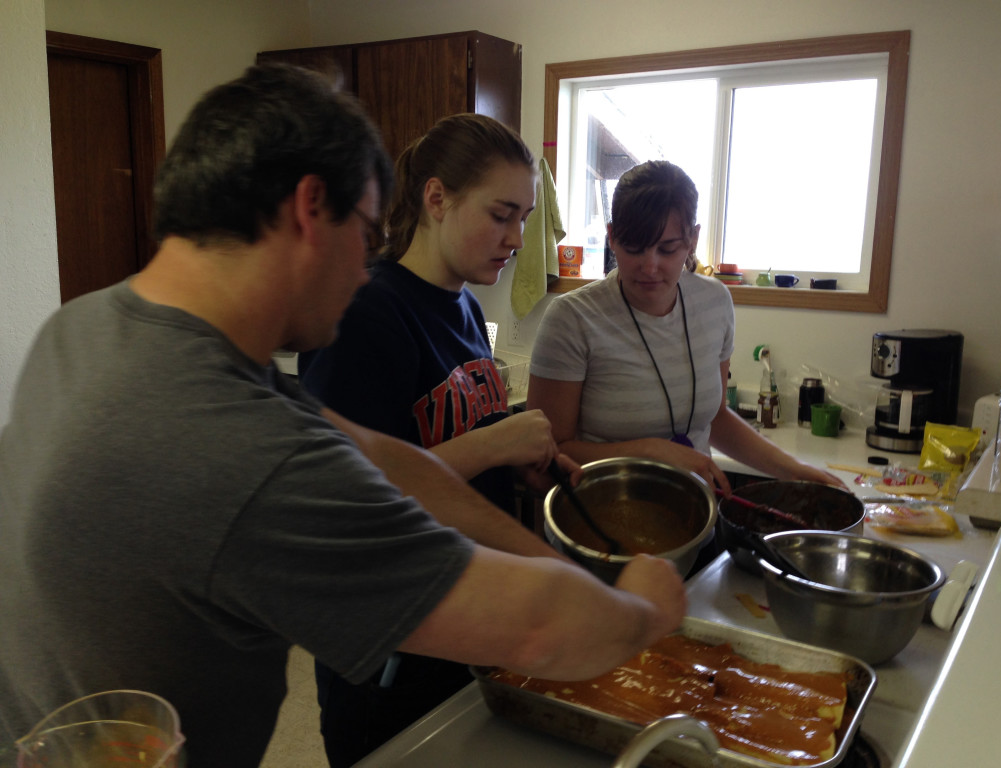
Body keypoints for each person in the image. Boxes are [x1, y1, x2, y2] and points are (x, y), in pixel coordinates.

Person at [0, 66, 688, 768]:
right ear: (308, 209)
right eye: (362, 234)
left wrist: (552, 561)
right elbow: (539, 633)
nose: (365, 270)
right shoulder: (249, 450)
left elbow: (386, 459)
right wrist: (639, 610)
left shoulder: (89, 325)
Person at [298, 113, 571, 765]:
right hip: (391, 651)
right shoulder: (365, 313)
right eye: (502, 213)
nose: (516, 237)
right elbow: (344, 498)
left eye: (526, 217)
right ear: (437, 198)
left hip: (466, 623)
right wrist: (494, 446)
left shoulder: (466, 307)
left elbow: (448, 446)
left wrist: (513, 464)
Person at [528, 160, 843, 502]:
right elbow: (546, 452)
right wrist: (650, 452)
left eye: (667, 248)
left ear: (692, 239)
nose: (650, 266)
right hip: (603, 525)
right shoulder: (573, 319)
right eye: (634, 247)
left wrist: (794, 471)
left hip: (693, 517)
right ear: (612, 236)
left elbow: (717, 418)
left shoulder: (714, 301)